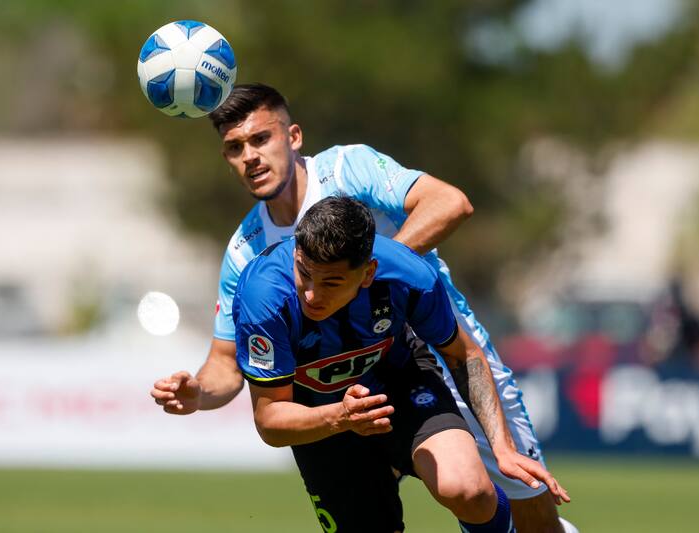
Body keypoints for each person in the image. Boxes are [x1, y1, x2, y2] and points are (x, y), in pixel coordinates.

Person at [151, 83, 572, 532]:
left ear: (293, 137)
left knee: (528, 514)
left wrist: (365, 277)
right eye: (235, 148)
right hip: (338, 396)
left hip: (435, 352)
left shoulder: (347, 169)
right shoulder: (245, 254)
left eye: (260, 139)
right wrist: (198, 393)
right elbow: (227, 364)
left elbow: (449, 203)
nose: (250, 156)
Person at [237, 196, 528, 532]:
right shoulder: (264, 297)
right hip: (320, 415)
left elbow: (464, 354)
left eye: (331, 282)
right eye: (304, 273)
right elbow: (270, 421)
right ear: (296, 255)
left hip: (400, 382)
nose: (312, 295)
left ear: (367, 273)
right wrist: (341, 417)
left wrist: (502, 446)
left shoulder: (408, 276)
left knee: (469, 490)